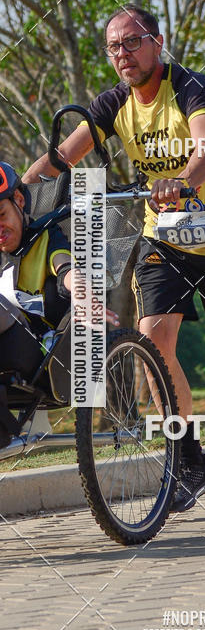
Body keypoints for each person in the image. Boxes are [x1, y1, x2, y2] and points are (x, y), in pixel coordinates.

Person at [23, 4, 205, 512]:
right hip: (162, 241)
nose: (123, 54)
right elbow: (60, 160)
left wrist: (182, 183)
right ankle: (191, 461)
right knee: (152, 341)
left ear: (157, 43)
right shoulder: (112, 104)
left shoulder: (191, 87)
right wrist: (16, 190)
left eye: (132, 42)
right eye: (114, 46)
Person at [0, 161, 119, 446]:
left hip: (35, 352)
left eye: (1, 215)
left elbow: (66, 268)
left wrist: (81, 290)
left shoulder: (46, 238)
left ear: (19, 200)